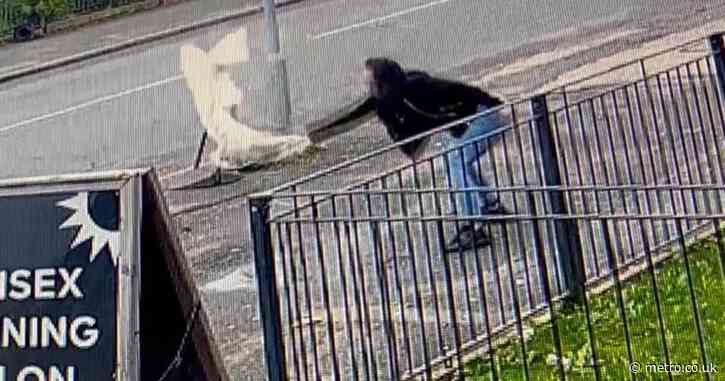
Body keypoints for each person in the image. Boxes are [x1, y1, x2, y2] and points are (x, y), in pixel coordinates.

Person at [316, 57, 507, 252]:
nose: (367, 87)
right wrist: (316, 133)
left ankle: (474, 227)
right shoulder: (396, 94)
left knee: (456, 158)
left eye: (370, 83)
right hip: (479, 117)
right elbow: (356, 113)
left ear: (383, 84)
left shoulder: (417, 89)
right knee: (457, 157)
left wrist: (491, 104)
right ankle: (488, 205)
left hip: (486, 116)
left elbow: (458, 93)